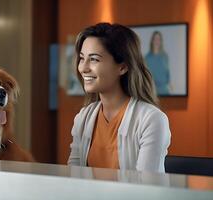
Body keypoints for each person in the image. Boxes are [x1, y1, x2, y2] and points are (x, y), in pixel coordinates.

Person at [67, 23, 171, 173]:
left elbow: (146, 189)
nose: (83, 68)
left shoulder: (152, 120)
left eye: (94, 59)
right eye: (82, 58)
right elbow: (73, 178)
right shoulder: (83, 118)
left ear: (122, 67)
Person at [145, 31, 171, 95]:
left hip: (164, 91)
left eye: (159, 39)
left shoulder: (165, 56)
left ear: (161, 41)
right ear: (152, 41)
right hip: (152, 92)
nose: (157, 41)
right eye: (155, 39)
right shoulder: (147, 58)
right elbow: (146, 76)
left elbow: (167, 73)